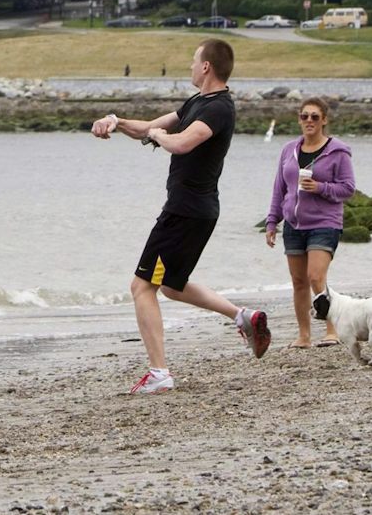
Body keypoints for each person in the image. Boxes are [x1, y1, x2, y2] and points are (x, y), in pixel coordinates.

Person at [92, 38, 270, 394]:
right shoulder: (197, 102)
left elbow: (183, 142)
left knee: (142, 286)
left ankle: (159, 374)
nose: (190, 66)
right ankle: (242, 316)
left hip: (185, 212)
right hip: (193, 212)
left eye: (193, 61)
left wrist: (160, 135)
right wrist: (116, 120)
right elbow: (147, 128)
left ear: (206, 67)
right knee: (172, 286)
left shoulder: (220, 108)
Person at [264, 96, 356, 347]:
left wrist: (320, 187)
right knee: (299, 282)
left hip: (325, 222)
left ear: (324, 120)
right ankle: (304, 335)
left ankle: (332, 330)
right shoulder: (289, 150)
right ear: (299, 120)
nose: (309, 121)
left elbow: (348, 189)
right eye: (304, 116)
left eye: (315, 116)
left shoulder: (337, 152)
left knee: (316, 277)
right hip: (294, 224)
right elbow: (279, 189)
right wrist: (272, 222)